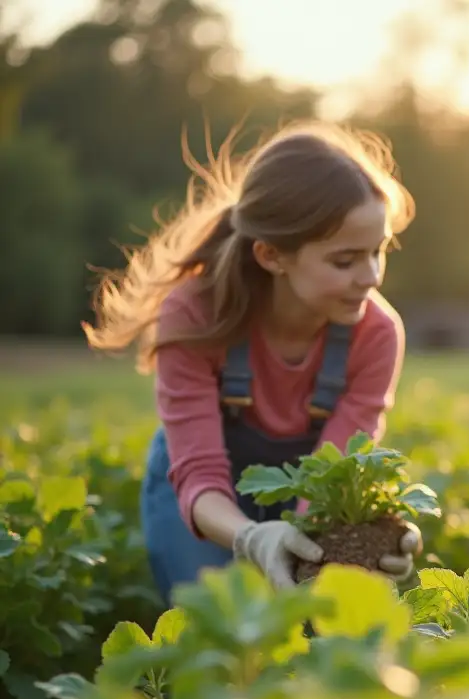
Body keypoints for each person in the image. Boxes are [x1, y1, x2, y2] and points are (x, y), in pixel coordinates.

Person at [85, 120, 424, 601]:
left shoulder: (377, 335)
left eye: (379, 251)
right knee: (216, 630)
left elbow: (337, 471)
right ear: (271, 255)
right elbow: (199, 472)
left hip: (302, 495)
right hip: (200, 504)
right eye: (345, 261)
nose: (370, 277)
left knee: (308, 629)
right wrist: (251, 537)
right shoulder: (195, 315)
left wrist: (367, 535)